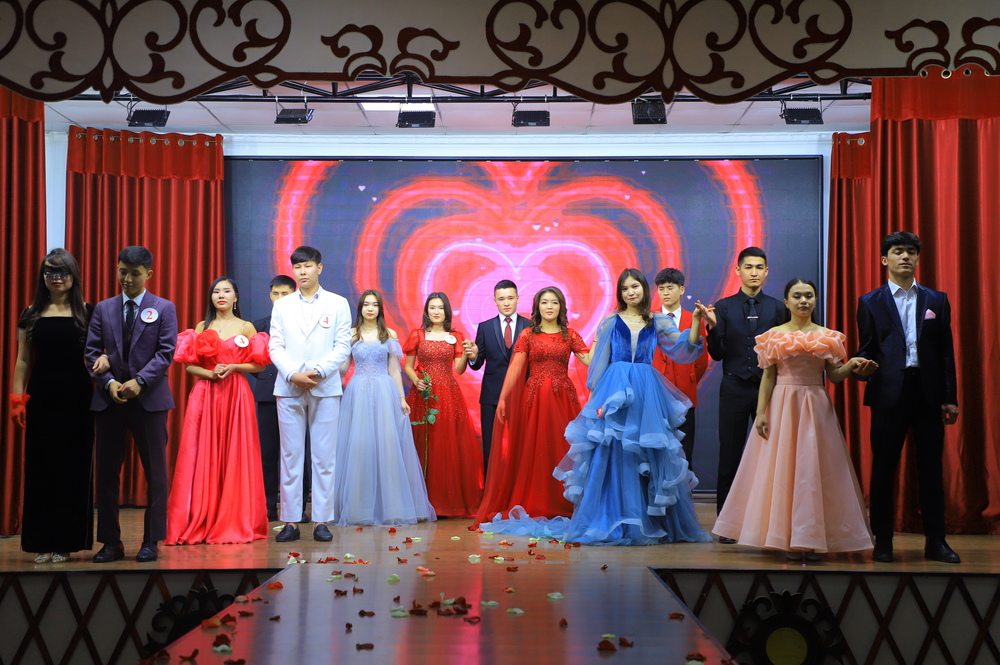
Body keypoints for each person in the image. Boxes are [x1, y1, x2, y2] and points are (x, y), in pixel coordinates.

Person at [484, 269, 711, 546]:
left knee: (648, 451)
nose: (630, 292)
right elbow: (599, 363)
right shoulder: (611, 322)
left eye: (635, 286)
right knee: (616, 452)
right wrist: (597, 401)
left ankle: (652, 520)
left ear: (643, 289)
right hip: (615, 388)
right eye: (625, 288)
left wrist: (697, 320)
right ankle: (615, 518)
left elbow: (684, 349)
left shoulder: (657, 320)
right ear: (620, 293)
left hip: (646, 389)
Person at [712, 278, 876, 559]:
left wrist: (851, 365)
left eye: (808, 296)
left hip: (815, 405)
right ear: (786, 302)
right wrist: (761, 412)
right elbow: (768, 376)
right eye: (797, 296)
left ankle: (810, 538)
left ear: (815, 300)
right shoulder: (774, 335)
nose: (803, 301)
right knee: (783, 470)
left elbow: (834, 376)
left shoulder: (828, 336)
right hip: (783, 404)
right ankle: (786, 537)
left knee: (812, 470)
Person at [856, 231, 960, 564]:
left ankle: (936, 541)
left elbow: (946, 353)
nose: (905, 256)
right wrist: (861, 367)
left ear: (917, 258)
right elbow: (867, 347)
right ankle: (883, 540)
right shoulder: (869, 301)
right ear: (884, 259)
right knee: (883, 470)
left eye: (911, 252)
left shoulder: (937, 300)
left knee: (931, 470)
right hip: (888, 394)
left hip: (927, 394)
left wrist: (950, 397)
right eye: (898, 251)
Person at [85, 246, 178, 563]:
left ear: (148, 274)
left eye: (134, 274)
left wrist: (139, 381)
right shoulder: (103, 308)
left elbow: (165, 353)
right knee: (106, 474)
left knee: (156, 474)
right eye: (122, 271)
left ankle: (151, 540)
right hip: (109, 400)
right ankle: (111, 542)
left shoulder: (163, 308)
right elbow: (92, 352)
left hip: (149, 400)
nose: (126, 279)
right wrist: (109, 382)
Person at [166, 277, 270, 544]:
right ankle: (203, 515)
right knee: (203, 453)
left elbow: (259, 365)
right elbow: (189, 365)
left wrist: (234, 367)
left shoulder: (246, 327)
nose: (221, 295)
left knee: (236, 452)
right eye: (216, 291)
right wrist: (210, 373)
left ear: (236, 297)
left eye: (226, 291)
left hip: (236, 394)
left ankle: (234, 518)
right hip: (206, 394)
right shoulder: (202, 326)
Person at [475, 287, 591, 525]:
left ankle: (565, 500)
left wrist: (601, 335)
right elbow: (515, 369)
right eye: (544, 302)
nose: (549, 306)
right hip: (534, 399)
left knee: (563, 447)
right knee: (534, 448)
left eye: (554, 302)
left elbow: (589, 359)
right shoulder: (528, 334)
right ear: (537, 306)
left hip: (562, 399)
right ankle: (535, 500)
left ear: (561, 306)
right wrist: (503, 399)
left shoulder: (570, 335)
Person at [11, 249, 95, 563]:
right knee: (41, 468)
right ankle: (42, 541)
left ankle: (67, 542)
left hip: (78, 398)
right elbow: (22, 360)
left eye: (62, 272)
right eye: (50, 272)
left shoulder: (87, 312)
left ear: (73, 275)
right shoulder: (30, 312)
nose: (56, 278)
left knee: (73, 468)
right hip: (41, 397)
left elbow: (101, 353)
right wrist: (17, 400)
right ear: (43, 276)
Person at [703, 247, 787, 542]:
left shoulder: (778, 308)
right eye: (748, 267)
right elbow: (717, 354)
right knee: (730, 456)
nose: (754, 272)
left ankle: (771, 522)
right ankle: (726, 525)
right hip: (734, 388)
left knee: (773, 456)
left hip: (770, 389)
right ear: (737, 271)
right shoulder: (723, 307)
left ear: (766, 272)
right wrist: (713, 328)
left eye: (759, 267)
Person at [268, 246, 352, 542]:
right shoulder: (283, 305)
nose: (302, 272)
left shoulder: (337, 303)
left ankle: (321, 520)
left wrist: (317, 371)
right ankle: (291, 521)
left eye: (307, 266)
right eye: (297, 267)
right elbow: (275, 345)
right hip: (289, 386)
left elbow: (343, 345)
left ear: (319, 267)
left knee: (324, 457)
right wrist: (293, 374)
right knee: (290, 455)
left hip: (325, 387)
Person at [332, 290, 436, 526]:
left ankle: (390, 507)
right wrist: (328, 370)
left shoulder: (389, 334)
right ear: (360, 308)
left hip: (384, 391)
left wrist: (401, 398)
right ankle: (358, 508)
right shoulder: (350, 334)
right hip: (358, 393)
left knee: (387, 446)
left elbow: (394, 370)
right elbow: (344, 367)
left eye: (375, 304)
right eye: (366, 304)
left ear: (380, 308)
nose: (370, 308)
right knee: (360, 446)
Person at [403, 292, 484, 517]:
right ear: (426, 311)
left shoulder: (456, 336)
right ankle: (421, 501)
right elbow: (408, 365)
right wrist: (416, 381)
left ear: (447, 311)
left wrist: (468, 354)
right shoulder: (418, 335)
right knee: (422, 442)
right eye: (432, 307)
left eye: (440, 307)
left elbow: (459, 370)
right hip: (423, 394)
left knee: (445, 443)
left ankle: (445, 503)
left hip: (448, 394)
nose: (436, 312)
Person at [466, 280, 531, 473]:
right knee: (490, 446)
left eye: (510, 298)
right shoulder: (485, 327)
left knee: (523, 445)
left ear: (518, 298)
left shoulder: (530, 326)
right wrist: (473, 356)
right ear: (494, 301)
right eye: (501, 299)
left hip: (523, 394)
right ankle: (490, 487)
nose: (506, 303)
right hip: (491, 396)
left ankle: (520, 486)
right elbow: (477, 363)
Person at [252, 275, 298, 522]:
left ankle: (297, 506)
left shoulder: (302, 322)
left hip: (297, 392)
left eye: (285, 294)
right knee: (267, 452)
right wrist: (264, 377)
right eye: (275, 293)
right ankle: (269, 505)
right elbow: (250, 359)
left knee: (297, 452)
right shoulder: (259, 325)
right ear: (270, 295)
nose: (279, 298)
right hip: (268, 394)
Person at [652, 268, 709, 465]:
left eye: (670, 288)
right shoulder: (649, 319)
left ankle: (685, 486)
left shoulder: (693, 318)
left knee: (684, 452)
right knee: (655, 452)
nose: (665, 293)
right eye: (661, 289)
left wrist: (689, 377)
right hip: (655, 394)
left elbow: (701, 361)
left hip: (685, 395)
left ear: (682, 289)